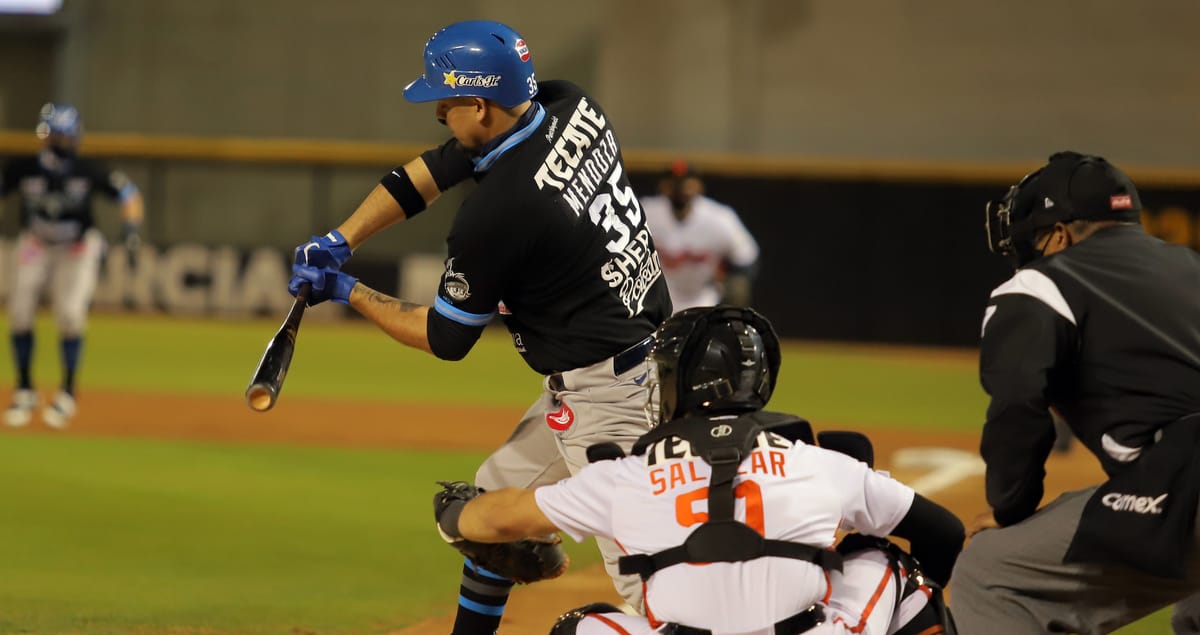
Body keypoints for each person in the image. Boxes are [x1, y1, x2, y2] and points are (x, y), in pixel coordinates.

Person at [285, 20, 671, 635]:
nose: (437, 111)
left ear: (481, 105)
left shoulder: (499, 213)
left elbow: (446, 337)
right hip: (639, 358)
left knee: (658, 590)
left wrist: (347, 291)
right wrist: (341, 238)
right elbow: (438, 167)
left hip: (613, 400)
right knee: (488, 513)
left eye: (446, 99)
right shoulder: (569, 102)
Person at [433, 306, 965, 635]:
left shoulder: (624, 476)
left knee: (580, 628)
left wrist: (456, 516)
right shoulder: (822, 464)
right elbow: (945, 531)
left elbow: (501, 518)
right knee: (889, 563)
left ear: (684, 383)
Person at [952, 151, 1200, 633]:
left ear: (1061, 233)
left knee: (990, 574)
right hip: (1184, 483)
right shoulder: (1190, 265)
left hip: (1189, 483)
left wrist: (1011, 507)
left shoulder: (1041, 283)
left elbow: (1017, 404)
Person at [1, 102, 144, 429]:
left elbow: (129, 194)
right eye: (52, 137)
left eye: (62, 138)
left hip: (77, 247)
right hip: (36, 243)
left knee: (69, 315)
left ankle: (67, 390)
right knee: (20, 312)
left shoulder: (88, 169)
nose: (56, 144)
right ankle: (24, 389)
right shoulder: (23, 168)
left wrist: (132, 230)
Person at [641, 160, 759, 311]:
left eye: (685, 183)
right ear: (663, 187)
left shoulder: (720, 218)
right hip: (654, 299)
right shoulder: (645, 212)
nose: (680, 188)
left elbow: (746, 256)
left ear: (699, 186)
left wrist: (732, 279)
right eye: (674, 183)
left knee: (738, 287)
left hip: (704, 299)